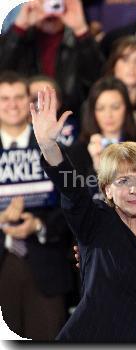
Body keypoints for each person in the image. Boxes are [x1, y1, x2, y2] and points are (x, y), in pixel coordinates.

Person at [31, 87, 136, 341]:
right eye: (122, 181)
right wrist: (49, 146)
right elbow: (73, 192)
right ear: (107, 190)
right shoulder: (97, 223)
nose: (134, 189)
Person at [0, 71, 72, 340]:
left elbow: (73, 200)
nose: (12, 104)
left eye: (19, 97)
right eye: (4, 98)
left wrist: (39, 224)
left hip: (47, 266)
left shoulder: (52, 145)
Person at [0, 0, 104, 116]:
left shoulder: (80, 40)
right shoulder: (20, 38)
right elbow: (3, 70)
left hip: (70, 118)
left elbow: (98, 80)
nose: (50, 10)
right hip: (24, 118)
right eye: (44, 2)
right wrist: (19, 27)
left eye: (56, 4)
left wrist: (80, 29)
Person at [66, 77, 136, 199]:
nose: (108, 115)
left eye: (115, 107)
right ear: (92, 112)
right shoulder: (78, 151)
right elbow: (77, 202)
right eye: (101, 108)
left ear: (126, 108)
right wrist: (96, 168)